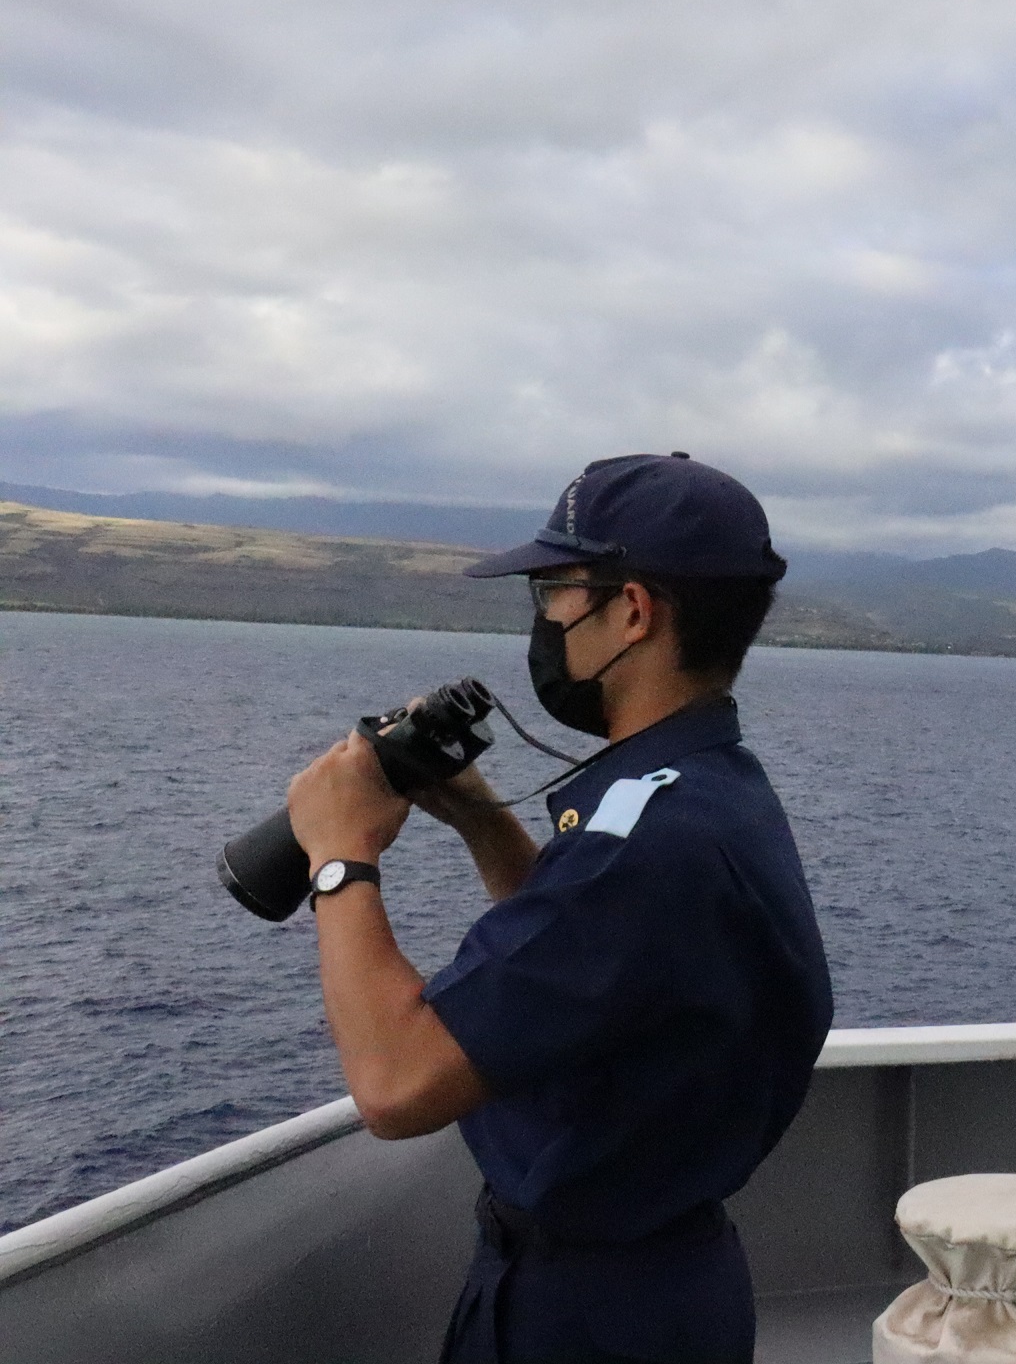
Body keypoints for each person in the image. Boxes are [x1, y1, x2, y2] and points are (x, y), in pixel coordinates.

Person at [283, 452, 835, 1364]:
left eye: (553, 592)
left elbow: (394, 1085)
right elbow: (593, 962)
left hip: (586, 1316)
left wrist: (339, 856)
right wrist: (476, 812)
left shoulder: (646, 846)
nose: (543, 620)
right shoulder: (703, 791)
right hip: (658, 1286)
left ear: (632, 610)